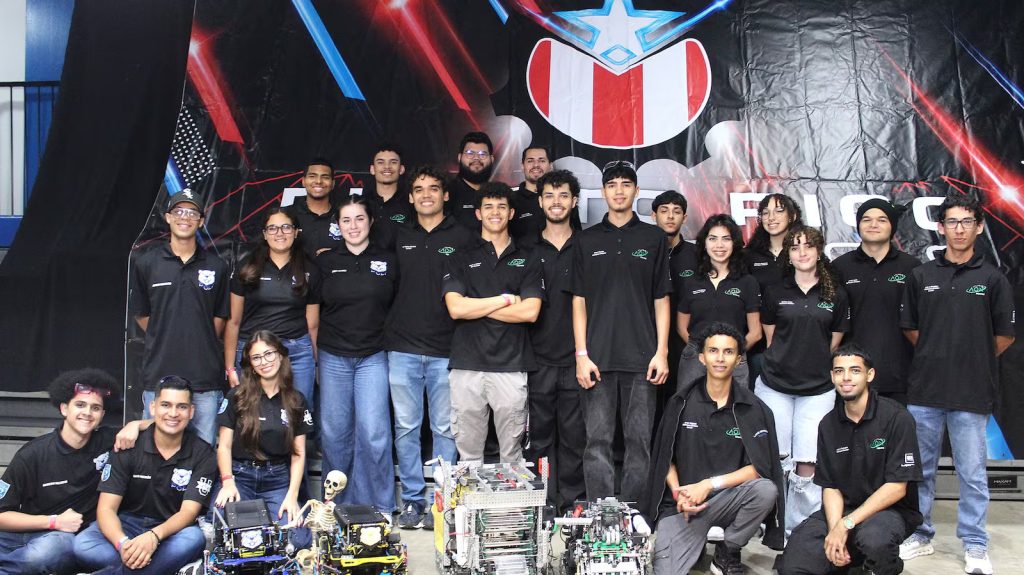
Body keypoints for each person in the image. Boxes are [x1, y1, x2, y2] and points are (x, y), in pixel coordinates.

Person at [898, 193, 1015, 575]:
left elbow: (1004, 335)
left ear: (978, 227)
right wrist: (939, 354)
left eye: (967, 221)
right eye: (952, 221)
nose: (959, 229)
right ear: (940, 227)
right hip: (926, 391)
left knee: (972, 474)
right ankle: (921, 534)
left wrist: (971, 359)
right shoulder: (922, 276)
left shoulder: (992, 278)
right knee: (921, 471)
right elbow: (912, 328)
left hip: (971, 392)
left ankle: (976, 544)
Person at [643, 322, 785, 575]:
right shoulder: (680, 403)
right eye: (713, 351)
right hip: (683, 508)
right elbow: (665, 460)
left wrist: (708, 485)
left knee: (765, 490)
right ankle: (694, 546)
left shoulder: (754, 408)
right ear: (702, 357)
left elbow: (759, 468)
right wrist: (679, 494)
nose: (720, 358)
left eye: (728, 352)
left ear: (739, 360)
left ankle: (728, 549)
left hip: (727, 501)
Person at [571, 160, 672, 502]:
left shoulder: (654, 238)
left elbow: (661, 299)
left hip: (643, 361)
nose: (619, 191)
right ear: (603, 192)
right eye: (612, 184)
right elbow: (579, 301)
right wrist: (581, 355)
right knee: (596, 443)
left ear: (636, 191)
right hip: (597, 359)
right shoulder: (586, 240)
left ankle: (635, 516)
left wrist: (661, 352)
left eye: (625, 184)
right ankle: (600, 516)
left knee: (639, 443)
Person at [383, 166, 475, 530]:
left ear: (445, 195)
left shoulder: (464, 236)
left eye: (433, 188)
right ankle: (412, 501)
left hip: (446, 348)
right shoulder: (397, 235)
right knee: (406, 428)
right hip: (402, 347)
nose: (426, 194)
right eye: (419, 189)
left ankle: (442, 502)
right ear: (410, 197)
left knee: (444, 429)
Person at [781, 345, 923, 575]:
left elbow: (897, 487)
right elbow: (830, 487)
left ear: (870, 375)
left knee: (874, 540)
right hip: (844, 509)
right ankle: (853, 564)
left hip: (890, 511)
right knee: (793, 564)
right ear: (832, 376)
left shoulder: (897, 418)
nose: (846, 377)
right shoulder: (828, 424)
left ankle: (886, 567)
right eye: (839, 371)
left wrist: (847, 524)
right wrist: (835, 529)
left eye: (855, 370)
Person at [0, 369, 147, 575]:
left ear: (102, 415)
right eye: (80, 405)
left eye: (95, 408)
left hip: (66, 540)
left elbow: (166, 424)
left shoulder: (110, 440)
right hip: (31, 531)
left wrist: (135, 424)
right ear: (64, 409)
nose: (87, 413)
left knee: (53, 551)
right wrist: (53, 521)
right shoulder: (33, 454)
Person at [756, 225, 849, 537]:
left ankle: (800, 531)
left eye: (808, 246)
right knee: (777, 458)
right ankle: (772, 525)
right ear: (788, 254)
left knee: (808, 463)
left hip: (818, 390)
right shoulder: (775, 292)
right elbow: (771, 340)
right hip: (775, 386)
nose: (802, 253)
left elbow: (833, 343)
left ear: (819, 251)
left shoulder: (836, 294)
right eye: (795, 248)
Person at [73, 376, 218, 574]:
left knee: (193, 539)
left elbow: (188, 513)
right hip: (127, 525)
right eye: (165, 405)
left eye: (182, 407)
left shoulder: (203, 453)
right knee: (83, 544)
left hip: (170, 531)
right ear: (153, 407)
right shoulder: (128, 444)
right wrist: (123, 545)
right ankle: (163, 567)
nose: (173, 413)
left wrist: (153, 536)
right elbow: (106, 509)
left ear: (191, 412)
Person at [443, 182, 544, 462]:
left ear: (511, 213)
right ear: (478, 213)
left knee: (512, 457)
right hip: (467, 366)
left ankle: (511, 497)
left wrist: (476, 305)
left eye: (501, 207)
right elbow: (456, 309)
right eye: (488, 207)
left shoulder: (528, 257)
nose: (495, 212)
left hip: (511, 367)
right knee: (469, 458)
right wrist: (505, 300)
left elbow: (530, 312)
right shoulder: (460, 257)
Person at [316, 194, 398, 516]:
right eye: (346, 220)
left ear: (371, 222)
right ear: (338, 225)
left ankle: (378, 506)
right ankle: (336, 506)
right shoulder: (325, 262)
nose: (353, 226)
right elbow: (313, 313)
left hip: (373, 355)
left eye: (359, 218)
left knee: (374, 433)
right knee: (335, 434)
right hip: (333, 356)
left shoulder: (388, 260)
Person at [130, 189, 230, 445]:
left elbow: (219, 320)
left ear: (201, 221)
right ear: (168, 217)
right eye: (179, 211)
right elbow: (143, 315)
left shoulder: (217, 266)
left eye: (192, 213)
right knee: (153, 449)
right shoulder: (146, 263)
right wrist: (167, 333)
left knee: (204, 449)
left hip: (204, 376)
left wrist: (195, 336)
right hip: (160, 372)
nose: (185, 217)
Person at [520, 169, 587, 510]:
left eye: (563, 195)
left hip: (578, 359)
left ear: (574, 202)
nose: (556, 202)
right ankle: (543, 501)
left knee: (576, 438)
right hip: (537, 359)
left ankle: (573, 502)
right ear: (540, 201)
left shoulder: (588, 246)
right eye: (549, 195)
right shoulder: (527, 249)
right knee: (540, 440)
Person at [214, 330, 314, 548]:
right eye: (256, 357)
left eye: (269, 354)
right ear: (250, 364)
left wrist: (292, 495)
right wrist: (228, 482)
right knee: (232, 537)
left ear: (280, 355)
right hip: (240, 476)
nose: (264, 362)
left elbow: (298, 454)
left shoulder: (296, 400)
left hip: (277, 480)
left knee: (298, 540)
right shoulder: (236, 396)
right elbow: (224, 446)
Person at [224, 207, 320, 408]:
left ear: (296, 232)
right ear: (264, 234)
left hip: (296, 352)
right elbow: (234, 321)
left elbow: (312, 324)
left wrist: (316, 362)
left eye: (286, 227)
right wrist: (230, 367)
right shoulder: (247, 266)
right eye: (273, 228)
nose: (280, 233)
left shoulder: (309, 269)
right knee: (252, 413)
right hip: (254, 351)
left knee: (298, 413)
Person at [832, 198, 919, 405]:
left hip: (900, 376)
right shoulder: (839, 267)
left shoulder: (912, 267)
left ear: (892, 227)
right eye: (866, 219)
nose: (873, 225)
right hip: (851, 378)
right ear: (858, 225)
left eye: (881, 220)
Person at [676, 214, 762, 391]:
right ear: (704, 243)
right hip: (696, 360)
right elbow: (681, 326)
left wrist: (731, 353)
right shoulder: (692, 282)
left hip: (734, 362)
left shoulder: (747, 282)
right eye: (713, 238)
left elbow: (755, 333)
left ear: (734, 243)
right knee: (689, 406)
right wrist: (703, 352)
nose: (719, 245)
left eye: (726, 239)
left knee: (734, 407)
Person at [744, 193, 803, 386]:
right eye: (765, 213)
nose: (771, 218)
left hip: (798, 341)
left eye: (778, 211)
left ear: (793, 216)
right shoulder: (749, 256)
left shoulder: (804, 254)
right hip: (759, 346)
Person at [652, 190, 699, 400]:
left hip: (684, 341)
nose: (670, 216)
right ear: (654, 216)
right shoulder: (644, 252)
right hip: (649, 339)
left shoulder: (697, 255)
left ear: (685, 217)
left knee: (682, 400)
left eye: (676, 211)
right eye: (664, 211)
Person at [509, 145, 581, 239]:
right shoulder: (511, 200)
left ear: (550, 166)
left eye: (542, 161)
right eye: (530, 161)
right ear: (522, 166)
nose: (536, 165)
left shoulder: (566, 201)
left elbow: (578, 238)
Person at [288, 158, 339, 259]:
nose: (319, 181)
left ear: (333, 183)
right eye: (312, 176)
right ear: (303, 181)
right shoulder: (287, 214)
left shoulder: (344, 216)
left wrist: (338, 253)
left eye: (325, 177)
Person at [447, 131, 494, 229]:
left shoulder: (498, 194)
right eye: (470, 153)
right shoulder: (447, 193)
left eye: (482, 154)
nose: (476, 158)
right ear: (459, 157)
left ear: (492, 159)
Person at [365, 142, 412, 227]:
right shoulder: (362, 203)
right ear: (372, 169)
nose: (387, 166)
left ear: (401, 169)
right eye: (380, 162)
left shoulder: (411, 203)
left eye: (393, 162)